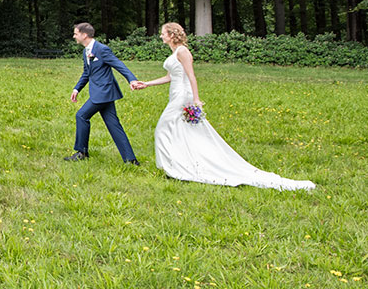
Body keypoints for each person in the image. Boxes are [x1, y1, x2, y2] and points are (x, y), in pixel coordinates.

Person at [134, 22, 315, 190]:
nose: (161, 36)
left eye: (163, 33)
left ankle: (175, 168)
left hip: (183, 95)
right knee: (179, 130)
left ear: (172, 35)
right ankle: (179, 163)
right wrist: (146, 84)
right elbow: (170, 77)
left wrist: (196, 99)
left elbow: (192, 77)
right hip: (175, 93)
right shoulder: (174, 53)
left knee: (162, 128)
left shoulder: (182, 52)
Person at [66, 22, 142, 164]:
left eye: (76, 33)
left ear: (84, 35)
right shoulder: (86, 51)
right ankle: (130, 159)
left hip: (103, 92)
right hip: (103, 94)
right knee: (114, 126)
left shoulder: (102, 49)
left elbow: (119, 64)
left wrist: (132, 80)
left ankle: (82, 152)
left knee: (81, 115)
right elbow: (87, 73)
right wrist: (77, 89)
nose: (74, 36)